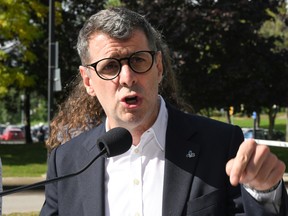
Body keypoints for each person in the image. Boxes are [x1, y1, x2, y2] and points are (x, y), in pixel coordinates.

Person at [40, 7, 288, 216]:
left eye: (138, 60)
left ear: (158, 67)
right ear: (88, 82)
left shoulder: (221, 144)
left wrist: (264, 193)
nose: (127, 77)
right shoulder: (67, 162)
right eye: (109, 66)